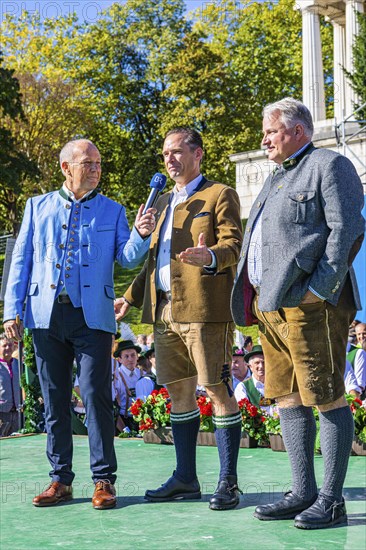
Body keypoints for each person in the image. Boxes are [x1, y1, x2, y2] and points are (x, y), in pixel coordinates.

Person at [231, 98, 365, 529]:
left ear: (299, 131)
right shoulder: (275, 177)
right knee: (288, 397)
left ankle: (331, 500)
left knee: (326, 395)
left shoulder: (330, 164)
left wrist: (318, 291)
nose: (264, 138)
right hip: (270, 308)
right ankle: (303, 491)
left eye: (271, 130)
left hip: (313, 308)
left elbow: (348, 229)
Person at [3, 138, 156, 509]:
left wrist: (141, 232)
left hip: (94, 318)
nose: (95, 169)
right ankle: (60, 480)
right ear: (65, 168)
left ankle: (103, 479)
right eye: (88, 163)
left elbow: (128, 258)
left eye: (99, 164)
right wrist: (11, 310)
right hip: (45, 315)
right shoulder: (37, 207)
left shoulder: (113, 210)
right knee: (54, 399)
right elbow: (21, 260)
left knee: (95, 395)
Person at [115, 127, 243, 510]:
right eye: (165, 154)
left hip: (205, 312)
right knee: (179, 394)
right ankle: (186, 477)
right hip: (164, 312)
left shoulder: (219, 194)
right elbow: (153, 261)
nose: (169, 159)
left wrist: (212, 257)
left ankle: (228, 482)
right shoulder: (163, 201)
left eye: (177, 151)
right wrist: (129, 297)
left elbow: (235, 243)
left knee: (217, 391)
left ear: (198, 154)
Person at [234, 345, 274, 416]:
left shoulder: (276, 384)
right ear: (250, 367)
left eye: (264, 362)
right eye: (257, 363)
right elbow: (243, 413)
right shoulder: (242, 387)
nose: (261, 366)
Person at [113, 339, 141, 432]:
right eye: (126, 356)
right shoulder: (116, 376)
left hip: (143, 420)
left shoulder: (142, 374)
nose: (130, 359)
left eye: (133, 355)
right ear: (119, 359)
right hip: (123, 421)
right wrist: (124, 429)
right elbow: (113, 405)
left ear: (137, 357)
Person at [0, 334, 20, 437]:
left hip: (17, 413)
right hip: (2, 412)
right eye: (4, 346)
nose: (8, 348)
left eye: (10, 345)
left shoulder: (19, 364)